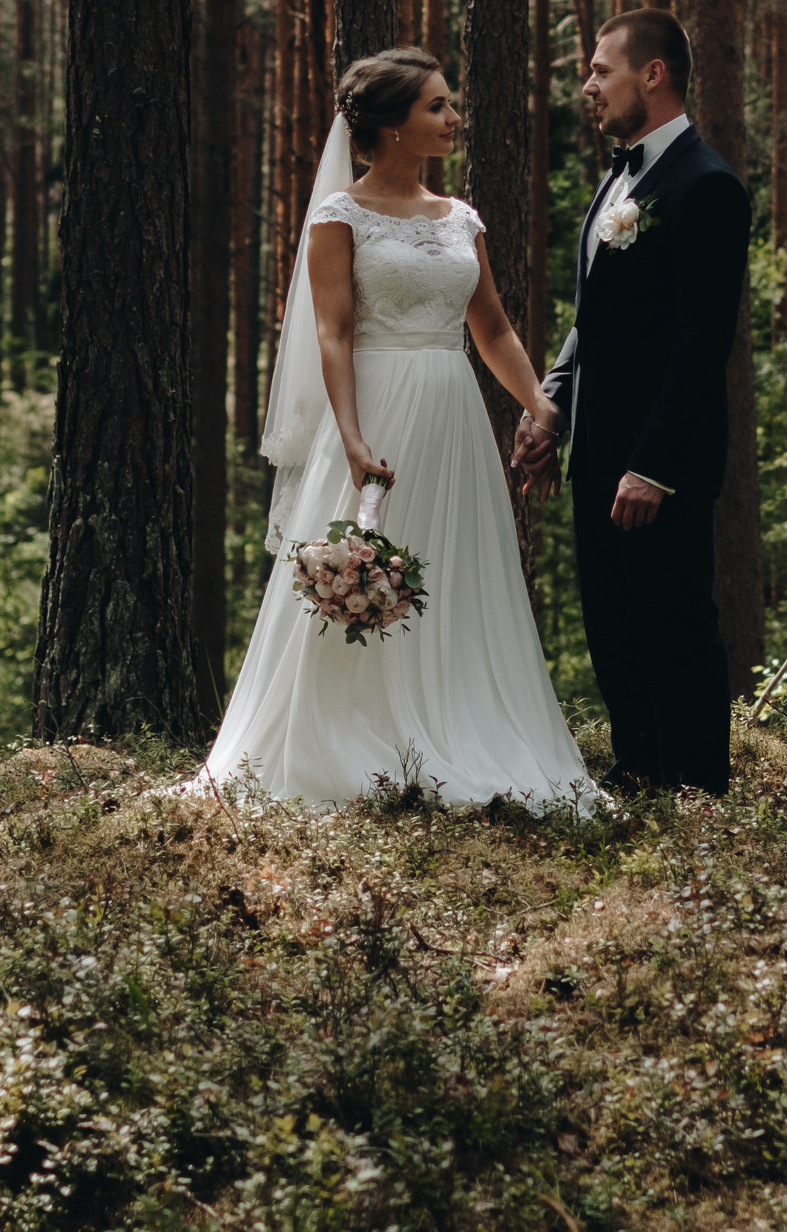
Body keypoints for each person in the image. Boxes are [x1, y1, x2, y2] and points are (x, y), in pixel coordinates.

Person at [201, 48, 592, 808]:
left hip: (453, 413)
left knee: (455, 570)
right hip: (373, 410)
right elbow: (334, 333)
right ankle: (345, 738)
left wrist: (541, 410)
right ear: (390, 125)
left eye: (451, 103)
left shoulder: (461, 219)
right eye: (437, 106)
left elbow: (493, 330)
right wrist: (350, 436)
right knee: (360, 568)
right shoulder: (338, 216)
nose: (454, 118)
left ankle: (457, 725)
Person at [513, 9, 752, 796]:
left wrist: (653, 465)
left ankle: (698, 788)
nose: (588, 85)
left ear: (653, 74)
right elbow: (594, 317)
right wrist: (550, 403)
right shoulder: (618, 179)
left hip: (660, 460)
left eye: (600, 70)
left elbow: (701, 344)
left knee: (673, 619)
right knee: (613, 618)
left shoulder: (707, 185)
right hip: (597, 446)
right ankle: (637, 770)